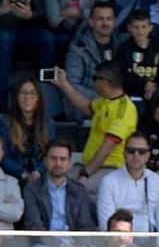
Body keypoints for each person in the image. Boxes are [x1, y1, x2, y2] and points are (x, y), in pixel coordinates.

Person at [52, 61, 136, 189]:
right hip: (91, 164)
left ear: (104, 82)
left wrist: (86, 173)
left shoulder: (124, 110)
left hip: (110, 168)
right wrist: (64, 85)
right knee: (53, 180)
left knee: (71, 188)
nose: (92, 82)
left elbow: (108, 147)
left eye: (94, 78)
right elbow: (87, 107)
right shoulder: (105, 101)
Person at [96, 130, 159, 241]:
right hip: (119, 243)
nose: (136, 155)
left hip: (152, 244)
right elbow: (106, 227)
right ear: (124, 153)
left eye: (141, 152)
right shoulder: (108, 182)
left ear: (148, 155)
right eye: (131, 151)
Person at [62, 1, 120, 123]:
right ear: (91, 22)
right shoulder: (78, 48)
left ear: (114, 22)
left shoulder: (122, 44)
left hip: (117, 105)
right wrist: (106, 98)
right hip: (87, 106)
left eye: (109, 19)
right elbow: (72, 84)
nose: (105, 23)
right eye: (100, 19)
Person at [0, 76, 52, 187]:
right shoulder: (5, 121)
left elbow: (51, 153)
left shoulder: (48, 124)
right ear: (16, 97)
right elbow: (1, 155)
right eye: (23, 93)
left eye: (32, 93)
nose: (27, 97)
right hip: (12, 177)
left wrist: (38, 172)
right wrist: (22, 173)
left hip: (40, 176)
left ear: (38, 98)